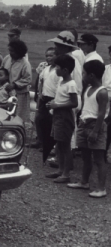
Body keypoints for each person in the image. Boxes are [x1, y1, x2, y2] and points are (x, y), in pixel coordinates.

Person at [68, 60, 108, 197]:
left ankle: (101, 188)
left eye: (84, 73)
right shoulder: (88, 89)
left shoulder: (102, 92)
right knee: (85, 156)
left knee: (98, 158)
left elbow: (101, 113)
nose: (82, 76)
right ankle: (84, 182)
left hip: (95, 125)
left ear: (91, 75)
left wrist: (96, 131)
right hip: (84, 123)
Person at [45, 54, 79, 183]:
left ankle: (66, 174)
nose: (55, 69)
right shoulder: (61, 81)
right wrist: (53, 103)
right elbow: (62, 98)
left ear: (65, 70)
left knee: (65, 145)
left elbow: (74, 103)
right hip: (58, 115)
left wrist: (57, 105)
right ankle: (60, 169)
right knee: (59, 144)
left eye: (57, 67)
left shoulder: (71, 84)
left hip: (65, 117)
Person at [33, 48, 59, 149]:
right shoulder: (45, 69)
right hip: (43, 97)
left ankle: (49, 144)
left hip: (53, 98)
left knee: (50, 121)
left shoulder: (58, 70)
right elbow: (41, 82)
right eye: (47, 56)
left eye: (51, 55)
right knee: (39, 119)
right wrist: (39, 94)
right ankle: (40, 140)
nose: (48, 58)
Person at [1, 40, 32, 123]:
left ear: (19, 51)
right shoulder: (7, 58)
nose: (10, 53)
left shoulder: (25, 63)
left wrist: (15, 84)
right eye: (9, 50)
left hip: (19, 94)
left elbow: (28, 79)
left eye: (13, 51)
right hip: (7, 91)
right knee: (5, 113)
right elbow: (2, 70)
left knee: (18, 115)